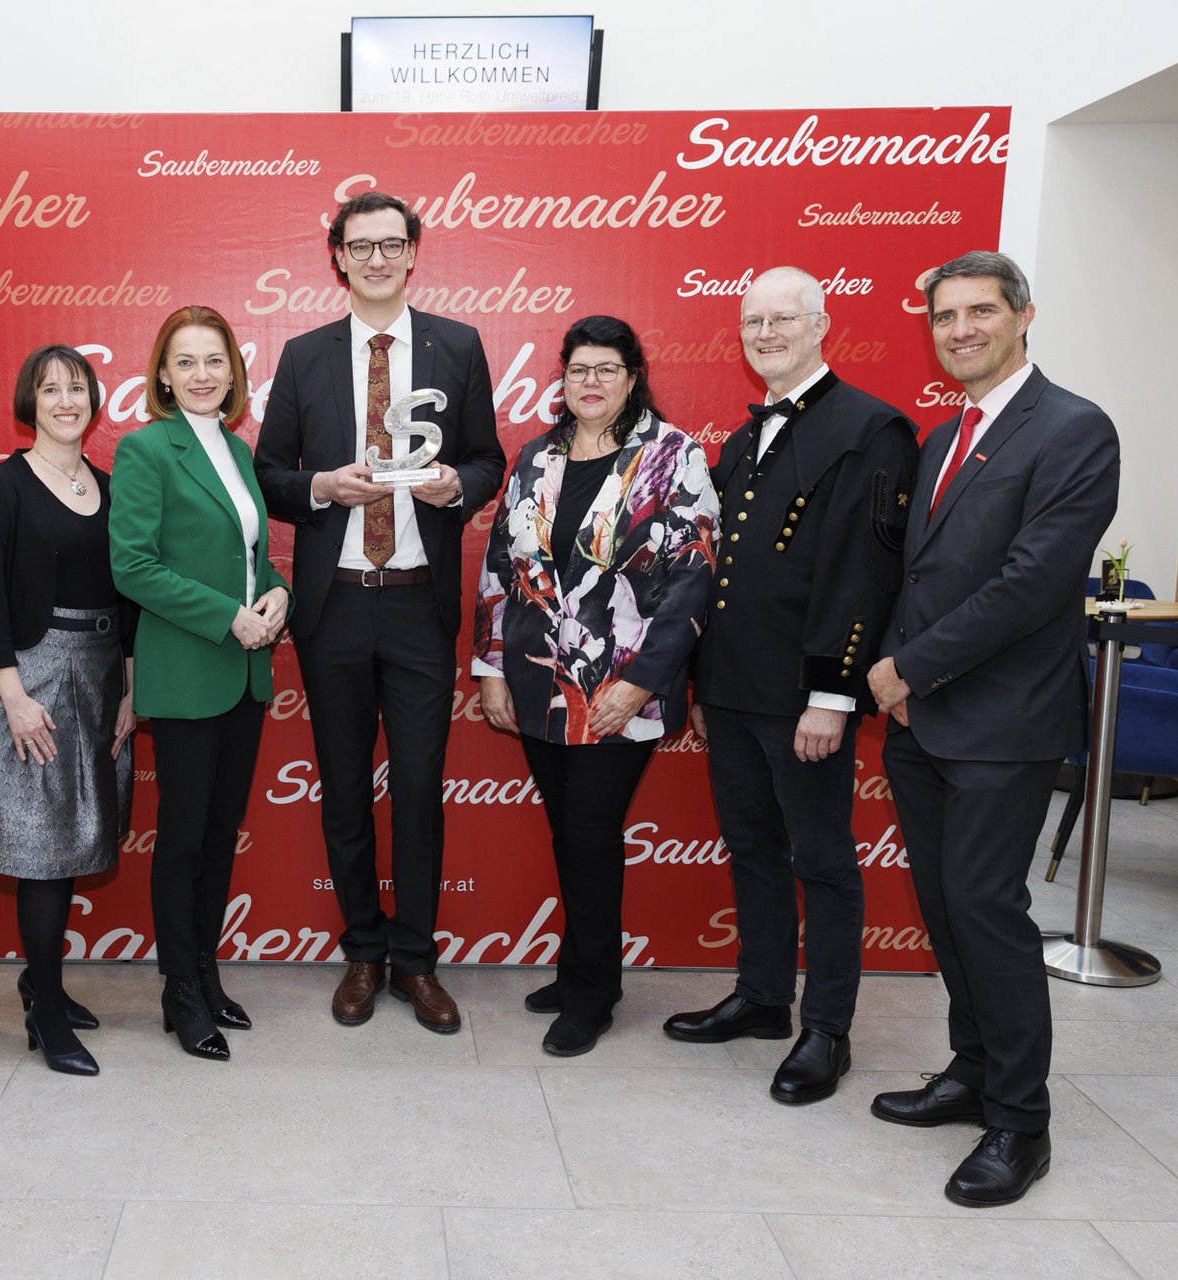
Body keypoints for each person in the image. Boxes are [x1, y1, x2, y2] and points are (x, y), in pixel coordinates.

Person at [867, 251, 1120, 1207]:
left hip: (1002, 723)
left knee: (987, 911)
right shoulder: (945, 435)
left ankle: (1022, 1120)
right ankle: (971, 1071)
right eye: (945, 315)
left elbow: (1032, 583)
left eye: (980, 311)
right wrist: (896, 675)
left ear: (1024, 316)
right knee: (944, 905)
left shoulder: (1074, 429)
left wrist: (910, 665)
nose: (961, 328)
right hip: (922, 720)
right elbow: (919, 575)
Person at [666, 267, 919, 1103]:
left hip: (806, 695)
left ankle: (827, 1030)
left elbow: (864, 574)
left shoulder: (871, 427)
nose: (766, 333)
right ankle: (765, 998)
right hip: (734, 690)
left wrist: (833, 694)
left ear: (821, 326)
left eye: (783, 319)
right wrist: (701, 686)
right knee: (752, 850)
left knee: (823, 862)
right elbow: (722, 573)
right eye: (752, 322)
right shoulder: (743, 439)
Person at [255, 190, 505, 1033]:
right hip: (333, 608)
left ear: (412, 252)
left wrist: (457, 487)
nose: (375, 258)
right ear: (337, 256)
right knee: (345, 793)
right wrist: (321, 487)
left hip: (417, 609)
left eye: (390, 244)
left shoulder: (457, 345)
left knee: (421, 793)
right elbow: (269, 475)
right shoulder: (303, 355)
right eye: (359, 245)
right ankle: (362, 951)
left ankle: (416, 960)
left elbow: (488, 459)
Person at [474, 315, 719, 1056]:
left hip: (621, 697)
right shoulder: (534, 458)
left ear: (633, 376)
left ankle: (590, 994)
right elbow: (498, 572)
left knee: (589, 834)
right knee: (570, 834)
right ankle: (586, 968)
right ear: (563, 377)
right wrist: (490, 669)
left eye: (607, 369)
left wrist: (642, 685)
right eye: (578, 368)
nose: (591, 381)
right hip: (540, 688)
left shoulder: (674, 457)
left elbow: (693, 581)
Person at [0, 345, 135, 1077]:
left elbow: (132, 594)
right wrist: (13, 696)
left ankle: (39, 981)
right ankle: (46, 1011)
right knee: (45, 853)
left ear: (94, 400)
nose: (64, 401)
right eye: (50, 389)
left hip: (103, 675)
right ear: (30, 401)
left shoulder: (114, 489)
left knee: (82, 833)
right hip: (29, 681)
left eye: (77, 389)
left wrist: (133, 689)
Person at [109, 306, 288, 1061]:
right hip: (187, 672)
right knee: (181, 842)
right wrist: (229, 617)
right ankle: (178, 988)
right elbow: (133, 566)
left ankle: (206, 972)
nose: (203, 375)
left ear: (233, 372)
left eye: (215, 360)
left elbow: (253, 558)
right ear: (162, 375)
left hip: (244, 673)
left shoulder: (238, 450)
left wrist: (278, 593)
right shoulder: (145, 450)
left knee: (218, 838)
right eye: (186, 362)